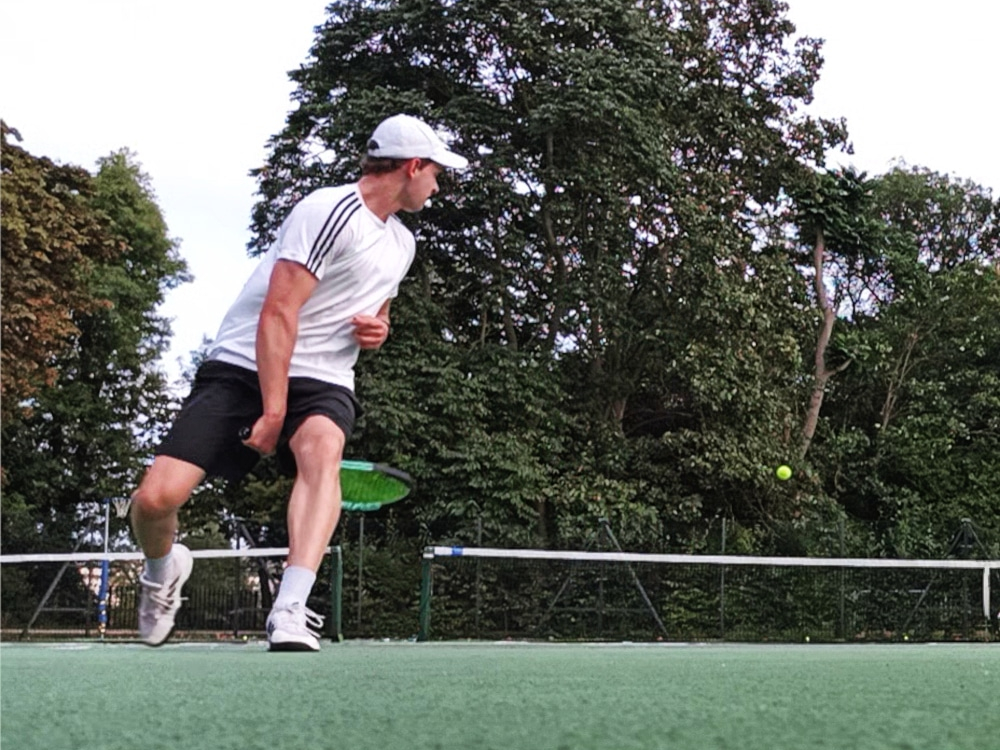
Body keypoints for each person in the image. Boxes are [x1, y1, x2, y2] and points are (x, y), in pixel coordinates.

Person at [130, 114, 468, 651]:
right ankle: (162, 568)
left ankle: (290, 608)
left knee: (322, 450)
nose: (438, 184)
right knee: (154, 499)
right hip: (244, 361)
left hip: (326, 375)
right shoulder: (327, 211)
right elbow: (278, 313)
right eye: (436, 172)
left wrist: (379, 329)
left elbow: (375, 311)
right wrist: (271, 410)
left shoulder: (402, 243)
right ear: (412, 166)